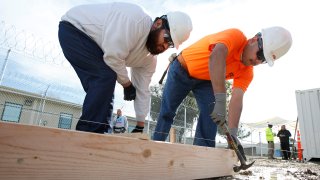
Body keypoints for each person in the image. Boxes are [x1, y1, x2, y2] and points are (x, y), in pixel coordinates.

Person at [153, 26, 292, 161]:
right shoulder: (235, 36)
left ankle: (203, 158)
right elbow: (216, 55)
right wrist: (220, 99)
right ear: (254, 40)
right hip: (181, 68)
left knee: (211, 114)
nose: (257, 61)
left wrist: (233, 135)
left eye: (264, 60)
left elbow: (237, 100)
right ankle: (155, 151)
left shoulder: (247, 72)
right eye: (260, 54)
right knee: (168, 110)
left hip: (205, 80)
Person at [58, 2, 193, 134]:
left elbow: (142, 89)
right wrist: (127, 84)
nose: (165, 46)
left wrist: (140, 125)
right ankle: (88, 134)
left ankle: (98, 133)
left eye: (170, 44)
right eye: (166, 38)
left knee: (106, 79)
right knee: (104, 77)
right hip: (75, 29)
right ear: (158, 23)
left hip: (97, 46)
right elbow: (112, 57)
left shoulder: (149, 60)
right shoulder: (135, 21)